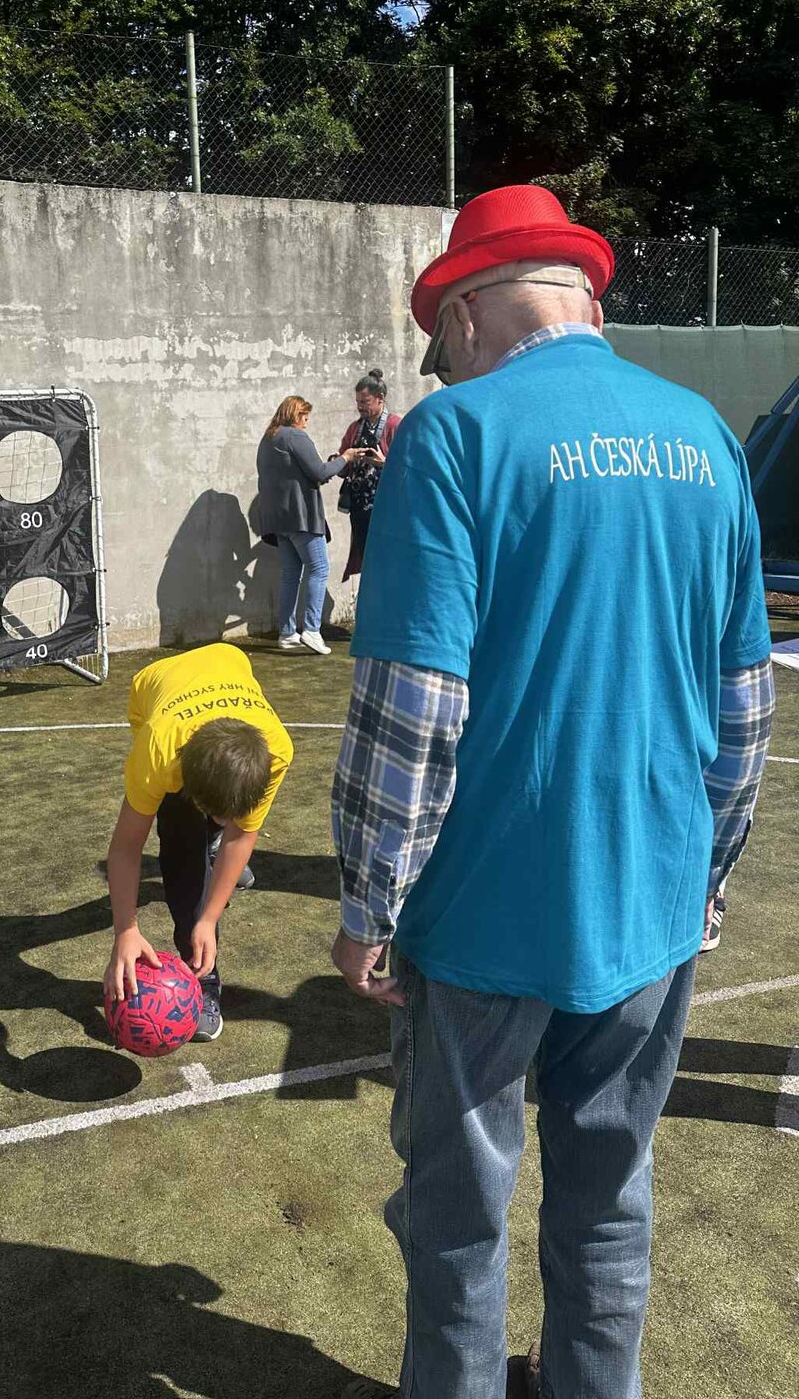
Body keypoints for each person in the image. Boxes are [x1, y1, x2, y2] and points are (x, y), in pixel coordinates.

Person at [330, 185, 774, 1399]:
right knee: (609, 1200)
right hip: (651, 902)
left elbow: (413, 709)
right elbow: (744, 708)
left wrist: (369, 904)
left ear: (468, 311)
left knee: (458, 1222)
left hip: (486, 914)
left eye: (442, 337)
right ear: (582, 297)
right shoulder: (704, 436)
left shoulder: (453, 435)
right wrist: (708, 878)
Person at [103, 642, 293, 1043]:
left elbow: (243, 833)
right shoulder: (159, 752)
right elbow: (125, 848)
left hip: (229, 659)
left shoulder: (275, 750)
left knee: (220, 837)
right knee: (181, 844)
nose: (227, 819)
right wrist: (125, 930)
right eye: (215, 813)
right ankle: (203, 981)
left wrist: (208, 918)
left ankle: (212, 845)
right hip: (155, 686)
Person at [256, 395, 366, 655]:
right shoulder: (295, 436)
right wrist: (346, 458)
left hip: (279, 520)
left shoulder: (268, 439)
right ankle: (312, 630)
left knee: (290, 573)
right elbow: (319, 472)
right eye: (305, 417)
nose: (306, 423)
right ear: (296, 415)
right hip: (302, 517)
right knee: (319, 568)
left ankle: (287, 633)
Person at [333, 369, 403, 580]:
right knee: (366, 560)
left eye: (365, 401)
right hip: (359, 509)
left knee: (389, 559)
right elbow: (344, 467)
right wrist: (340, 460)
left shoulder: (395, 426)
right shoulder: (355, 428)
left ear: (381, 398)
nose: (360, 407)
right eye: (357, 402)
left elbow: (409, 467)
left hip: (387, 507)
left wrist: (384, 463)